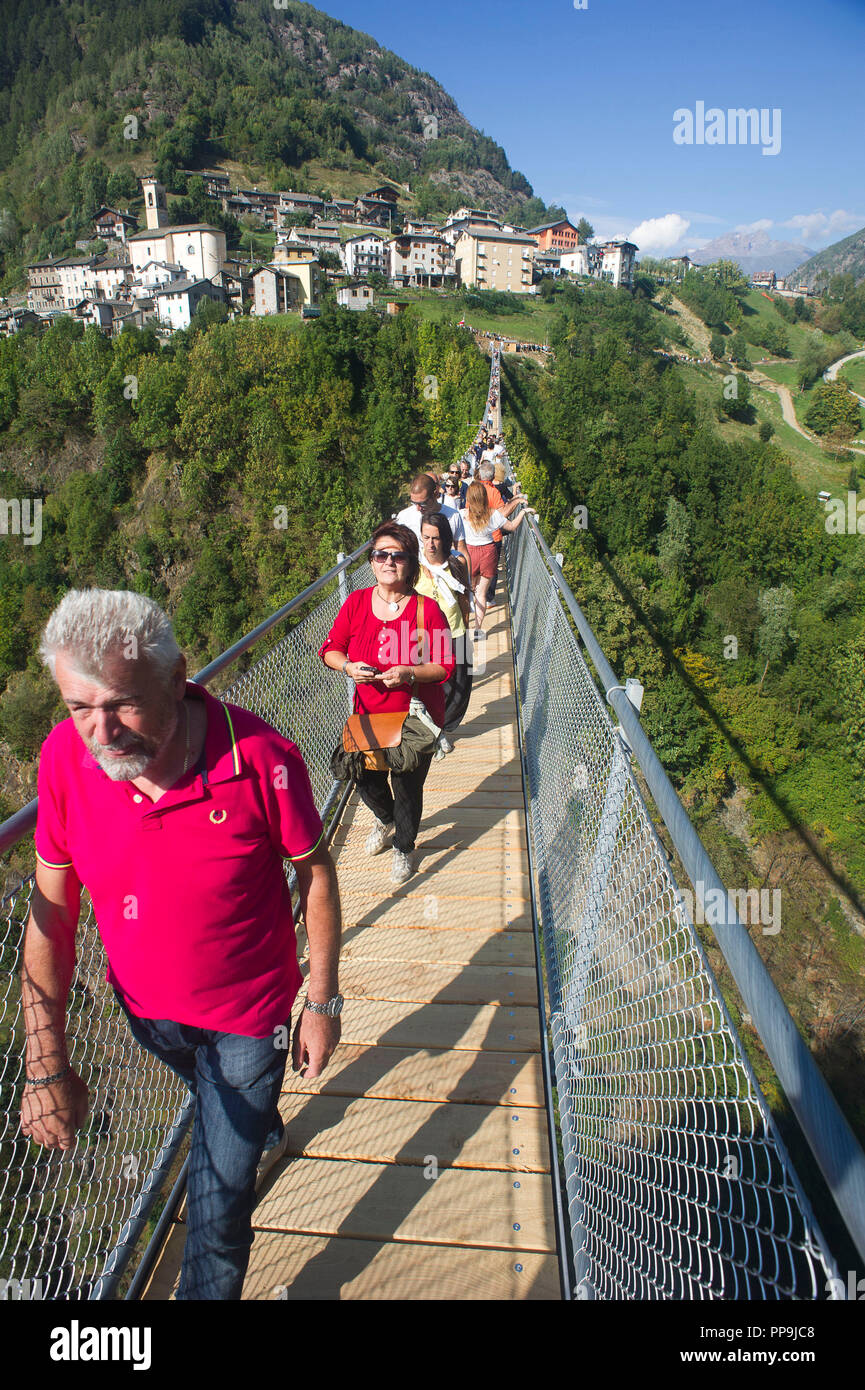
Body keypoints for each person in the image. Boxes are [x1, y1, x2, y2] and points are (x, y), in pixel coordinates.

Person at [20, 589, 343, 1301]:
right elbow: (51, 911)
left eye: (122, 704)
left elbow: (315, 872)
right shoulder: (64, 761)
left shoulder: (261, 757)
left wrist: (322, 1000)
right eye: (80, 709)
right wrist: (46, 1064)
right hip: (149, 1016)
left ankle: (246, 1131)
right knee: (212, 1097)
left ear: (177, 679)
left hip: (248, 1020)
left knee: (217, 1214)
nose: (101, 733)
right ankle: (255, 1124)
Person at [319, 523, 454, 884]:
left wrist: (409, 672)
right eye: (381, 554)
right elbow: (331, 649)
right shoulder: (356, 602)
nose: (388, 562)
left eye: (398, 555)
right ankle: (385, 819)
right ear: (372, 561)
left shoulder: (427, 610)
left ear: (411, 563)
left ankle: (404, 848)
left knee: (408, 787)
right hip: (368, 715)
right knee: (362, 775)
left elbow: (444, 665)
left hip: (412, 717)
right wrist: (348, 666)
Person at [416, 513, 472, 755]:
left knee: (460, 685)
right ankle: (434, 732)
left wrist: (468, 629)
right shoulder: (413, 567)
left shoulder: (456, 565)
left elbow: (463, 599)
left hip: (455, 630)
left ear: (445, 539)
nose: (430, 544)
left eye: (436, 538)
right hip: (424, 638)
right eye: (426, 537)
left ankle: (442, 727)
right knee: (434, 687)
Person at [461, 480, 532, 632]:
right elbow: (512, 527)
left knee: (469, 592)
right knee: (481, 594)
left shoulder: (462, 515)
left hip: (469, 553)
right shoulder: (493, 514)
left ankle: (465, 627)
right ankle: (478, 629)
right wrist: (522, 512)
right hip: (488, 553)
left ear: (469, 498)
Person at [396, 474, 471, 575]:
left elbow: (462, 550)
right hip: (415, 578)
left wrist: (468, 584)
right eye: (414, 503)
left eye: (422, 503)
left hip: (446, 575)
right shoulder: (404, 517)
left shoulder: (453, 516)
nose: (418, 508)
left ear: (435, 494)